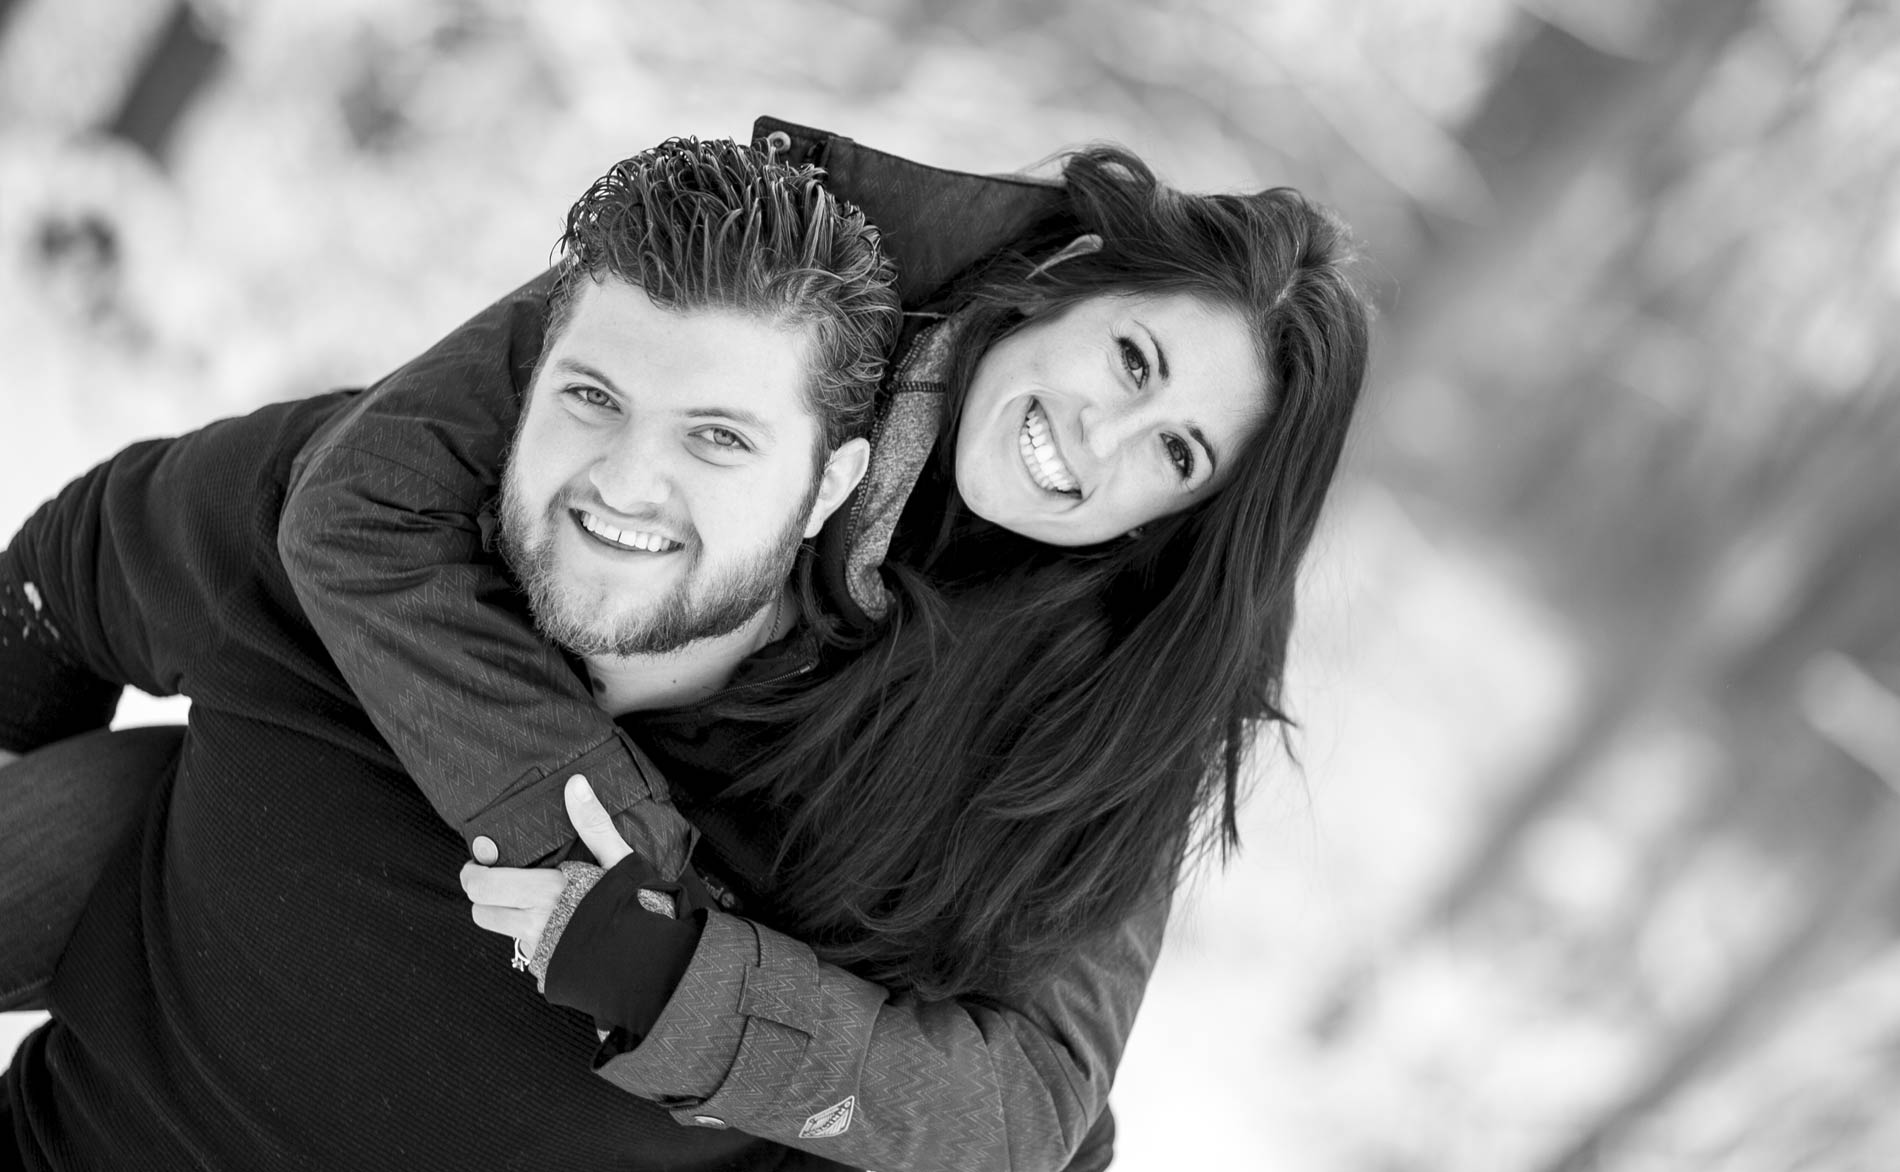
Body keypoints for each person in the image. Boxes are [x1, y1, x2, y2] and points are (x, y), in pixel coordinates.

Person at [274, 125, 1368, 1169]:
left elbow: (1032, 1100)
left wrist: (681, 977)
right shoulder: (778, 275)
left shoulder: (1124, 696)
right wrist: (623, 855)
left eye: (1176, 451)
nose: (1102, 439)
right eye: (1133, 362)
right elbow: (358, 509)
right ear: (1073, 273)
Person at [0, 136, 906, 1172]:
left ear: (830, 487)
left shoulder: (865, 821)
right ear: (525, 384)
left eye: (717, 437)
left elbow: (1004, 1118)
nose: (625, 480)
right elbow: (62, 576)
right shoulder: (349, 533)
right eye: (592, 397)